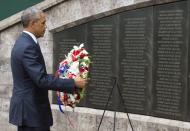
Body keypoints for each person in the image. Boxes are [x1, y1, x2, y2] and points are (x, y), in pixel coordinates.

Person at [9, 7, 88, 131]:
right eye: (43, 23)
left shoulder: (24, 42)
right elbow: (41, 80)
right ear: (32, 23)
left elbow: (36, 76)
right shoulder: (27, 46)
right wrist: (73, 82)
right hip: (32, 113)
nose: (45, 26)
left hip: (30, 112)